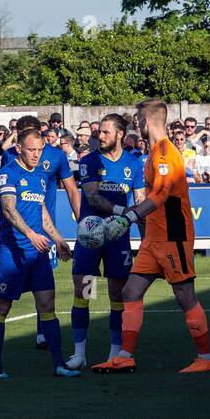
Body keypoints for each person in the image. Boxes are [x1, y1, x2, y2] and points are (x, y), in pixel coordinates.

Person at [92, 99, 210, 374]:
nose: (136, 124)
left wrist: (130, 216)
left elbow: (159, 195)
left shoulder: (165, 155)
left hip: (174, 235)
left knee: (184, 295)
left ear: (147, 122)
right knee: (131, 291)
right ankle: (125, 355)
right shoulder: (154, 153)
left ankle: (206, 358)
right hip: (154, 237)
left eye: (138, 120)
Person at [0, 128, 79, 379]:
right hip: (12, 251)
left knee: (48, 304)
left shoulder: (40, 175)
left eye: (39, 150)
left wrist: (58, 239)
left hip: (38, 253)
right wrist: (30, 234)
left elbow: (41, 212)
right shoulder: (7, 173)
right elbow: (8, 209)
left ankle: (59, 364)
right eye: (31, 150)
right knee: (2, 307)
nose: (36, 155)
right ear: (19, 149)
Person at [65, 114, 145, 371]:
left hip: (118, 238)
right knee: (85, 291)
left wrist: (145, 238)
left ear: (120, 134)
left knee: (116, 294)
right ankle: (79, 353)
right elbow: (92, 195)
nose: (101, 136)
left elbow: (141, 201)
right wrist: (123, 212)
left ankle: (113, 353)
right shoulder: (89, 160)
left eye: (106, 132)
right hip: (91, 238)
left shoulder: (133, 163)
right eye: (100, 132)